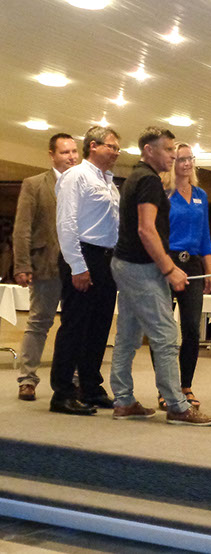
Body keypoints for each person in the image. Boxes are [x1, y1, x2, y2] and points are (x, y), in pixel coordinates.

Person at [110, 127, 211, 426]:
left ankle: (123, 400)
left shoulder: (136, 177)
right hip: (141, 267)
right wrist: (169, 269)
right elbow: (146, 230)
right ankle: (177, 405)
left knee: (128, 335)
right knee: (167, 335)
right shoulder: (148, 181)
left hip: (126, 264)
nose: (173, 156)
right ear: (149, 150)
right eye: (168, 150)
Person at [50, 126, 121, 416]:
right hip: (83, 254)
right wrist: (78, 267)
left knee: (99, 326)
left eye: (117, 148)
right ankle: (62, 392)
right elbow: (66, 223)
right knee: (75, 326)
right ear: (93, 146)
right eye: (111, 146)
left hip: (106, 258)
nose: (116, 152)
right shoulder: (76, 176)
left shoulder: (109, 182)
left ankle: (90, 387)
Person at [13, 133, 78, 401]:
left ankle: (73, 376)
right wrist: (22, 264)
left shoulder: (84, 184)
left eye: (74, 151)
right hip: (46, 263)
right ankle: (27, 378)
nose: (71, 157)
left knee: (75, 324)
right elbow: (22, 228)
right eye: (65, 152)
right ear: (52, 155)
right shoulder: (35, 184)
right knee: (39, 322)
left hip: (78, 266)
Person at [154, 142, 211, 410]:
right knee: (163, 329)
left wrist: (209, 271)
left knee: (191, 328)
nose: (187, 163)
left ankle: (185, 385)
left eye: (190, 159)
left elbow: (205, 236)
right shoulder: (163, 193)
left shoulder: (201, 195)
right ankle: (164, 388)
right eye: (181, 159)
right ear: (172, 162)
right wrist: (164, 264)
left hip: (194, 265)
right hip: (167, 263)